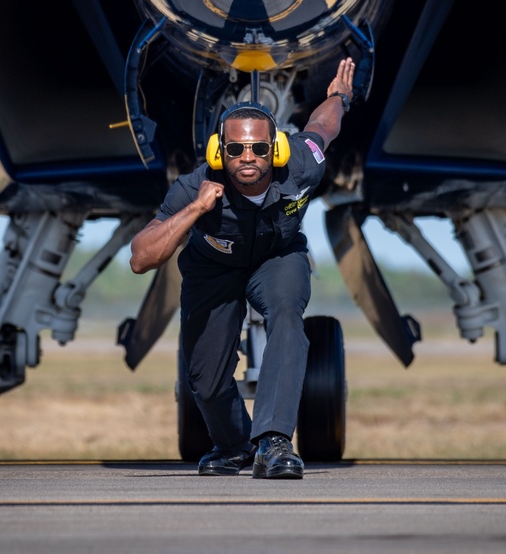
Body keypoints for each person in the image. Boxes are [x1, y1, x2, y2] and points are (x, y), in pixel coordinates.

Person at [129, 57, 355, 479]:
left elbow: (323, 128)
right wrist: (196, 210)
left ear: (277, 148)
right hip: (213, 268)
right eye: (235, 149)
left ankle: (273, 443)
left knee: (288, 316)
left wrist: (339, 95)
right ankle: (233, 446)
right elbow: (141, 258)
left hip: (277, 257)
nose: (247, 157)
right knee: (205, 376)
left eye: (258, 148)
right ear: (219, 151)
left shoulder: (301, 166)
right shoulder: (195, 186)